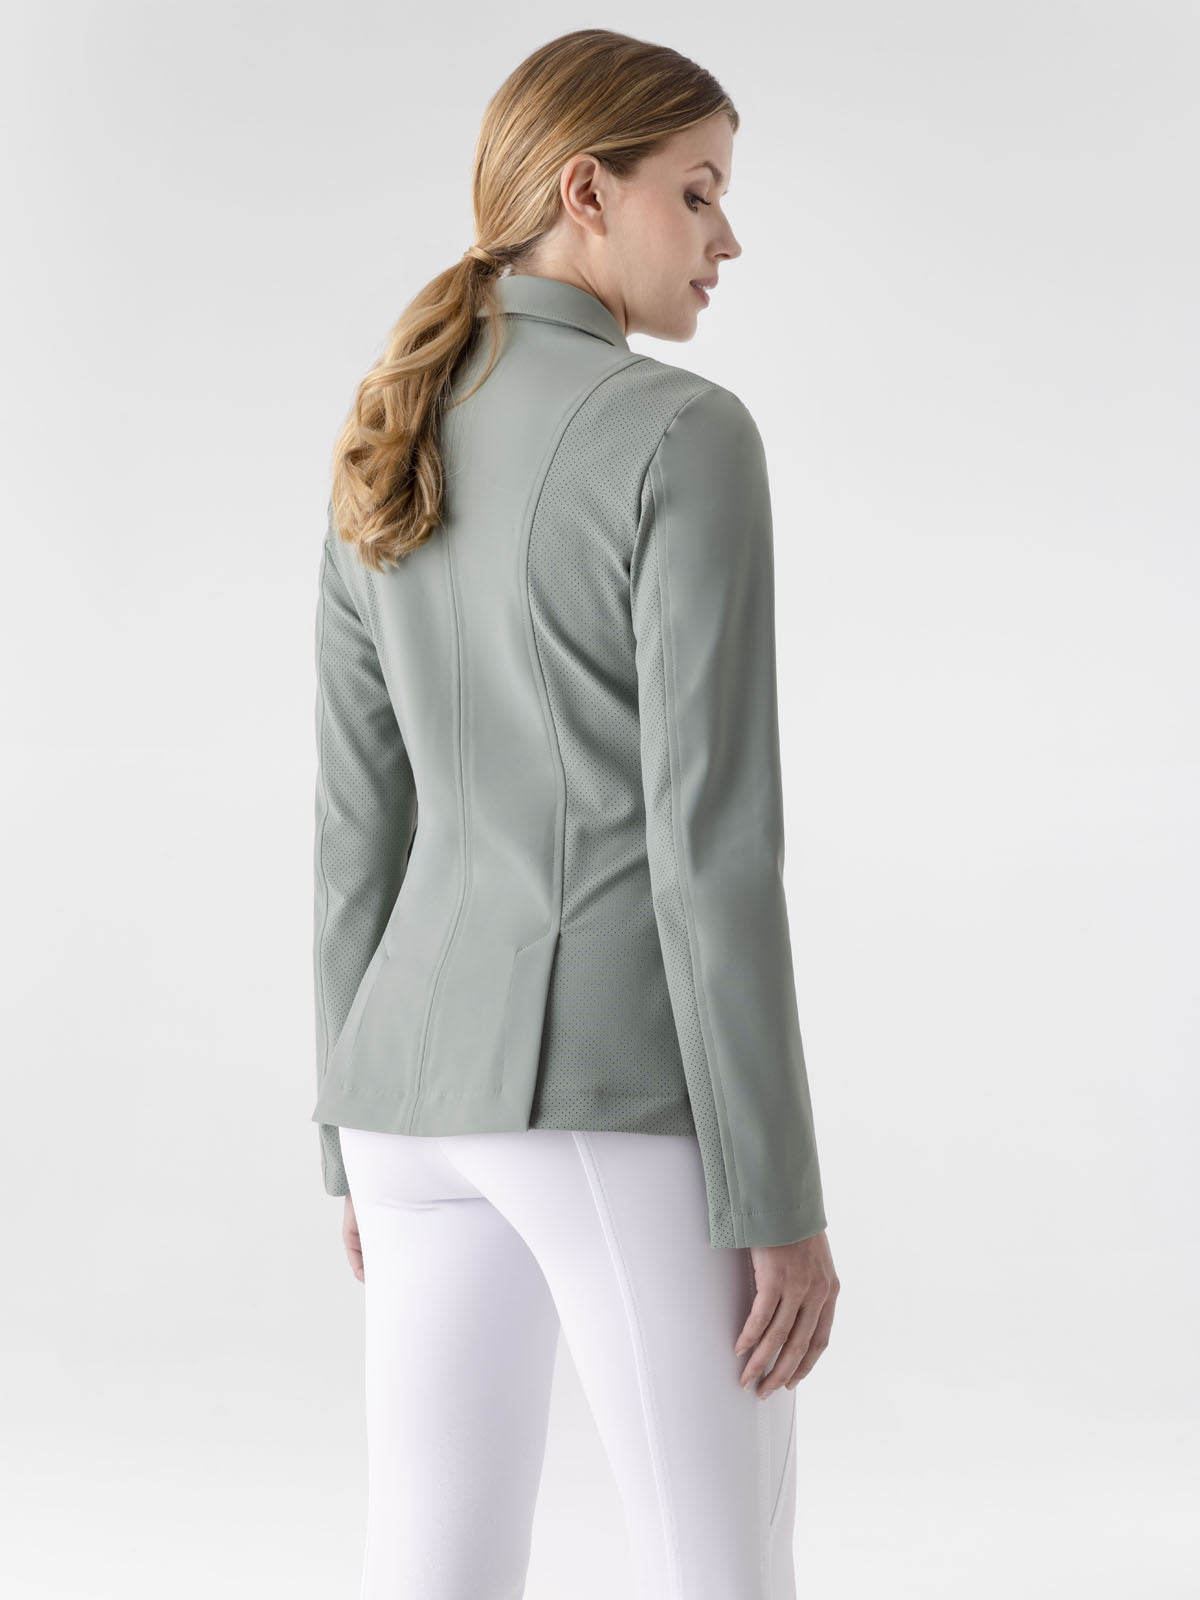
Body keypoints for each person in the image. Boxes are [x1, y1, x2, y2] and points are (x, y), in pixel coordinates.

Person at [310, 26, 840, 1600]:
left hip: (401, 1099)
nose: (727, 239)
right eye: (699, 191)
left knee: (433, 1569)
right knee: (719, 1568)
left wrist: (343, 1139)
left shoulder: (388, 430)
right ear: (586, 192)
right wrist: (778, 1198)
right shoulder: (682, 433)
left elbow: (354, 830)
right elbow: (713, 849)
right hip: (604, 1094)